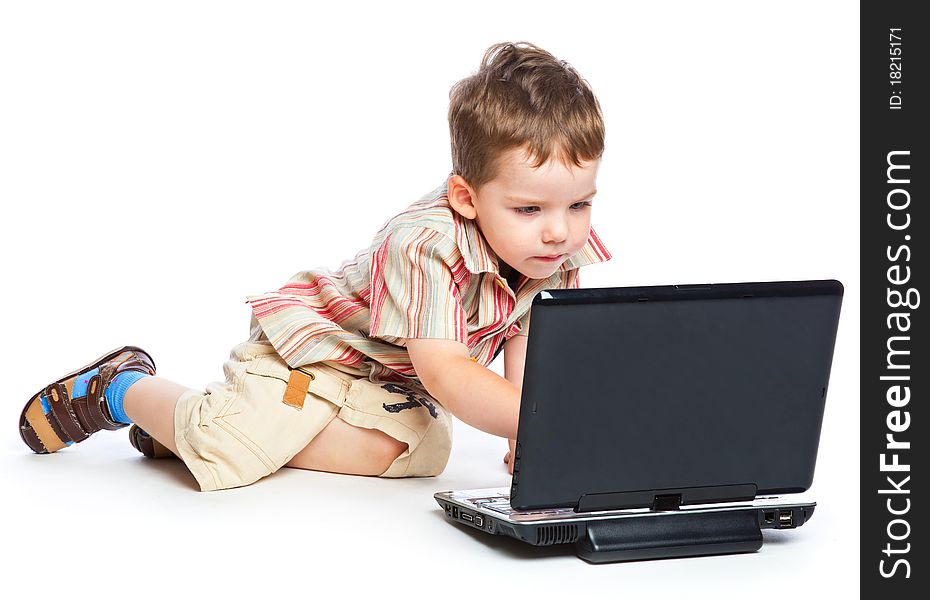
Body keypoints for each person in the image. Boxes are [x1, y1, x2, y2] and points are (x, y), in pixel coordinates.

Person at [18, 41, 612, 491]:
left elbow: (526, 342)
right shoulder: (426, 244)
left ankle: (192, 430)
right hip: (315, 353)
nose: (560, 230)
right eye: (529, 208)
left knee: (423, 454)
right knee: (232, 454)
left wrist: (522, 432)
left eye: (579, 203)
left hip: (382, 381)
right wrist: (550, 420)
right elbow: (449, 374)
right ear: (465, 196)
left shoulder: (547, 248)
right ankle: (123, 389)